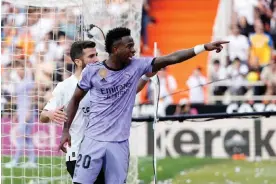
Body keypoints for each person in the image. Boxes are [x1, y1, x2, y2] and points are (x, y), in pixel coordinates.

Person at [58, 27, 228, 184]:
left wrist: (204, 47)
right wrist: (66, 129)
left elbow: (172, 58)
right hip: (92, 141)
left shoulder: (137, 65)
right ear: (116, 49)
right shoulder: (93, 71)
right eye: (130, 46)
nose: (134, 50)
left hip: (119, 144)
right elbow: (75, 99)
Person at [40, 40, 154, 182]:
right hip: (79, 153)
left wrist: (145, 76)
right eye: (91, 56)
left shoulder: (104, 75)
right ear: (78, 62)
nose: (96, 59)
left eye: (96, 55)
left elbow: (129, 91)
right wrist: (50, 114)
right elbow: (43, 116)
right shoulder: (65, 87)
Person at [5, 61, 37, 168]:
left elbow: (32, 97)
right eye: (17, 69)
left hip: (28, 112)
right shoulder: (19, 82)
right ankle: (32, 161)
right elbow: (19, 99)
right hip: (21, 112)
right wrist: (16, 113)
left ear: (24, 69)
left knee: (20, 136)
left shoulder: (29, 81)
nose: (18, 71)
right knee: (27, 137)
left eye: (20, 69)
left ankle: (16, 161)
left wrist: (28, 111)